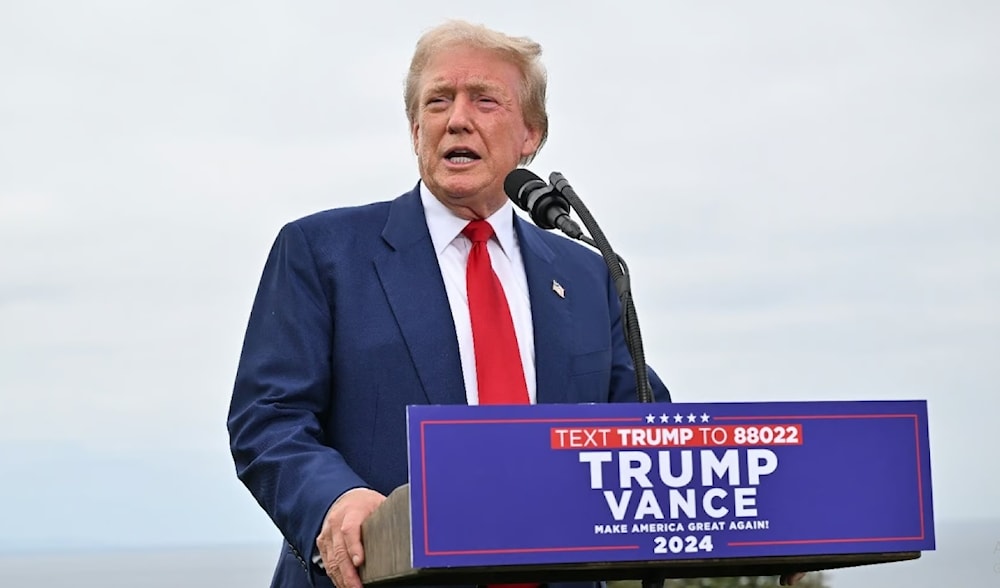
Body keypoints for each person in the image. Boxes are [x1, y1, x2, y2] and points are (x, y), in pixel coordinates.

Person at [228, 19, 799, 588]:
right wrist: (335, 499)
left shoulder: (585, 271)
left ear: (531, 135)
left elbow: (646, 436)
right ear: (414, 127)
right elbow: (268, 418)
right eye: (438, 101)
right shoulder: (322, 252)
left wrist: (768, 521)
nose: (457, 119)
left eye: (484, 100)